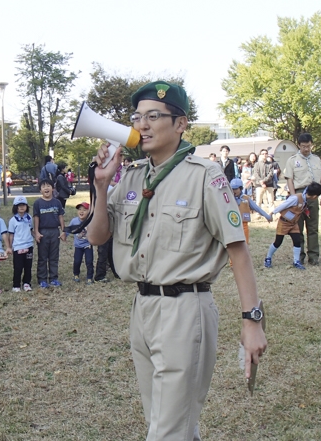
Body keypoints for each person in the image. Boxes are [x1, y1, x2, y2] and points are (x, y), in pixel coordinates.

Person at [86, 80, 266, 440]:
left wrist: (252, 321)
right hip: (143, 308)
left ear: (180, 124)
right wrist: (102, 186)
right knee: (166, 425)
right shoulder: (133, 175)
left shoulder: (204, 175)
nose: (142, 125)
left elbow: (237, 250)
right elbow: (96, 236)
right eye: (137, 117)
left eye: (154, 116)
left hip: (186, 310)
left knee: (168, 432)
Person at [284, 133, 321, 265]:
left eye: (308, 146)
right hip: (299, 193)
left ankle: (314, 256)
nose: (306, 149)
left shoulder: (316, 159)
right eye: (303, 146)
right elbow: (289, 179)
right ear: (299, 145)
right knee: (298, 227)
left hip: (314, 194)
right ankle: (299, 256)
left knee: (313, 226)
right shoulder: (292, 160)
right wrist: (293, 197)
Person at [264, 182, 321, 269]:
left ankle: (296, 261)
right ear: (315, 196)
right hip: (284, 222)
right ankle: (268, 258)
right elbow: (283, 205)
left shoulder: (305, 199)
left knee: (297, 241)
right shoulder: (296, 198)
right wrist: (272, 213)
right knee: (278, 242)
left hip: (293, 223)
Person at [33, 179, 66, 288]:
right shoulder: (38, 203)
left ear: (53, 188)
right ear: (40, 190)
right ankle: (42, 279)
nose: (46, 188)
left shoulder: (57, 202)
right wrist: (37, 232)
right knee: (42, 257)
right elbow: (36, 218)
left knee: (54, 256)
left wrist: (63, 230)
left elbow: (60, 216)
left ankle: (53, 278)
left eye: (48, 186)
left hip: (54, 232)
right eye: (43, 186)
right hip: (43, 232)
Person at [230, 179, 272, 244]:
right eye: (232, 189)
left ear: (241, 188)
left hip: (244, 226)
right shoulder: (229, 199)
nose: (233, 191)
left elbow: (257, 208)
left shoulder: (246, 198)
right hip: (232, 226)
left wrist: (267, 216)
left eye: (235, 189)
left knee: (244, 244)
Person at [8, 196, 34, 292]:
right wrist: (10, 247)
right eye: (19, 206)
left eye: (23, 205)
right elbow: (11, 234)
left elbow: (31, 230)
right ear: (15, 207)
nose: (21, 207)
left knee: (28, 265)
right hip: (18, 246)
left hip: (28, 245)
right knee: (18, 266)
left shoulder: (29, 218)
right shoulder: (13, 220)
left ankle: (27, 283)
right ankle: (16, 284)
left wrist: (37, 237)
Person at [67, 202, 94, 284]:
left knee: (89, 261)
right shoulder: (74, 221)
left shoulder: (91, 221)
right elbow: (69, 229)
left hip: (88, 245)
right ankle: (76, 274)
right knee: (77, 261)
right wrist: (64, 235)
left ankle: (89, 277)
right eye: (79, 209)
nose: (81, 211)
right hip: (78, 246)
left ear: (89, 212)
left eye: (85, 210)